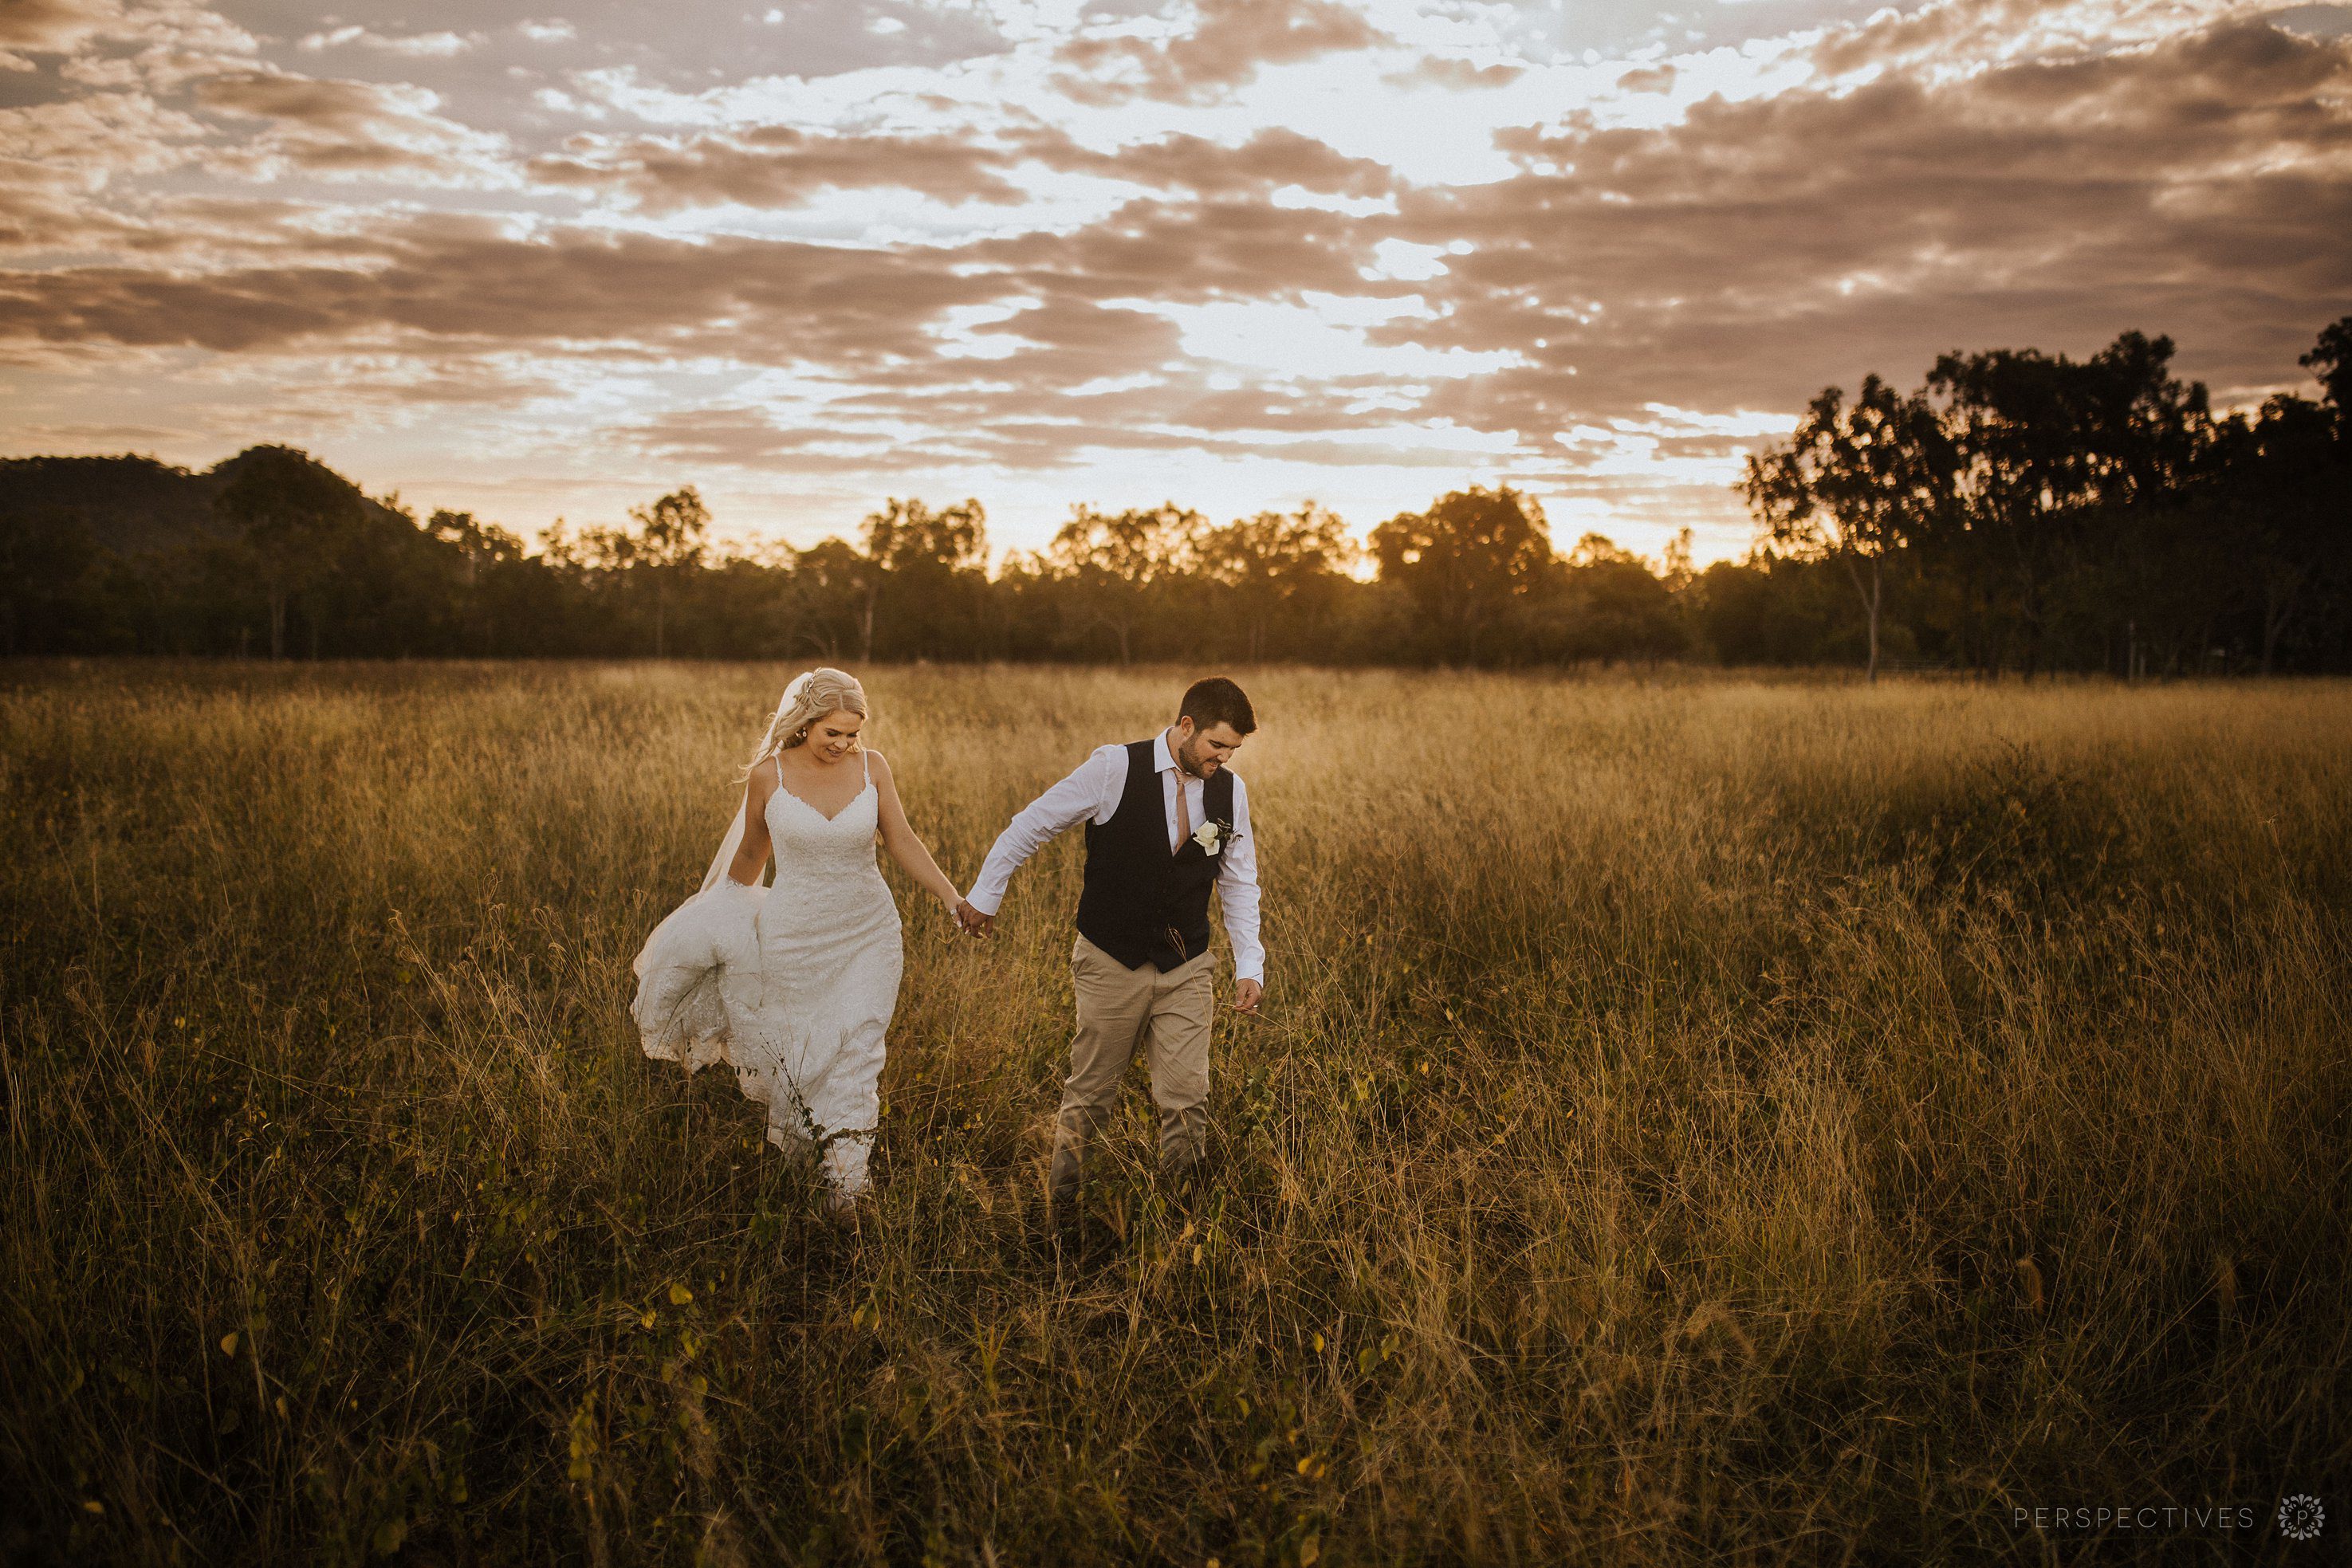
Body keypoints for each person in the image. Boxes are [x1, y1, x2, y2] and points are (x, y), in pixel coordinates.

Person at [631, 668, 974, 1214]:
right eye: (832, 732)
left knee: (859, 1051)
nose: (843, 744)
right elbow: (750, 853)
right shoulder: (769, 776)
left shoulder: (874, 767)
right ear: (805, 722)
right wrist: (717, 914)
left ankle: (847, 1185)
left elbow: (902, 839)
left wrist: (953, 898)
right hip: (793, 937)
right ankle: (802, 1163)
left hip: (869, 931)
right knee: (802, 1052)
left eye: (852, 734)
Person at [959, 676, 1264, 1238]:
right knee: (1092, 1094)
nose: (1223, 758)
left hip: (1187, 964)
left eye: (1234, 750)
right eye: (1217, 745)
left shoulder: (1230, 793)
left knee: (1186, 1097)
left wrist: (1251, 964)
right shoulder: (1113, 768)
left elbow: (1239, 881)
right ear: (1186, 725)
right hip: (1110, 960)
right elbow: (1031, 825)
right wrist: (985, 895)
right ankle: (1063, 1219)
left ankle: (1182, 1225)